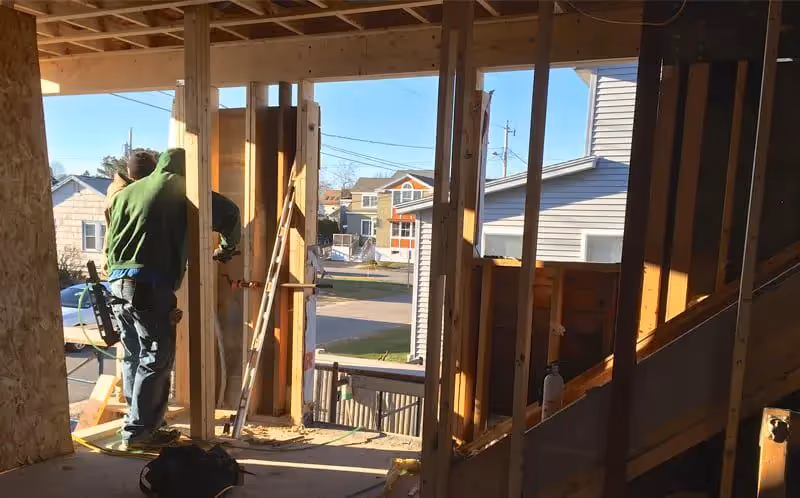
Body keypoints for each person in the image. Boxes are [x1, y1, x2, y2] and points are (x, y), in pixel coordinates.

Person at [105, 148, 241, 450]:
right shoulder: (181, 188)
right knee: (156, 357)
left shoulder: (127, 192)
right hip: (149, 285)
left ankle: (138, 423)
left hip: (116, 284)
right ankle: (140, 432)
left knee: (134, 355)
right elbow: (230, 214)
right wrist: (227, 248)